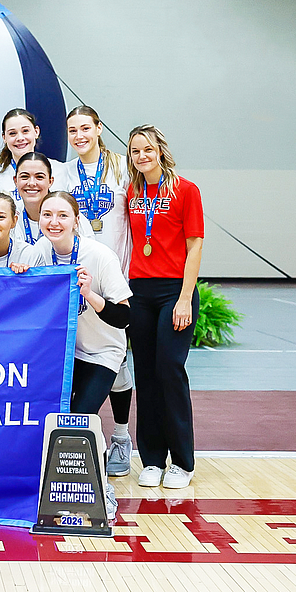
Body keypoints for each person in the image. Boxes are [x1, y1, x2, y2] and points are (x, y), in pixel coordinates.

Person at [33, 191, 130, 521]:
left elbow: (124, 317)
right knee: (56, 419)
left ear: (77, 220)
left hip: (103, 350)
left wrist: (90, 294)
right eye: (47, 215)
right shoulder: (38, 253)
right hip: (63, 352)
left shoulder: (99, 256)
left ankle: (103, 490)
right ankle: (55, 487)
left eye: (62, 215)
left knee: (81, 417)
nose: (54, 222)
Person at [125, 125, 204, 491]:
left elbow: (195, 247)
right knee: (146, 374)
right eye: (135, 151)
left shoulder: (186, 190)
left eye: (147, 149)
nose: (142, 156)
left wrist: (185, 298)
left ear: (160, 151)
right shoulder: (132, 191)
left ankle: (182, 462)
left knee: (169, 370)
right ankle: (153, 459)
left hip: (174, 291)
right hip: (140, 291)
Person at [65, 105, 135, 477]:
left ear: (99, 128)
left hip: (117, 274)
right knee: (91, 358)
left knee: (118, 359)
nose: (79, 136)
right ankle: (99, 439)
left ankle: (122, 436)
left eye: (85, 128)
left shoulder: (123, 167)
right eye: (72, 130)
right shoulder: (63, 171)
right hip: (80, 275)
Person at [0, 108, 41, 199]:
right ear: (4, 137)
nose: (20, 138)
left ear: (36, 132)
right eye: (13, 133)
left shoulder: (57, 171)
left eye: (25, 131)